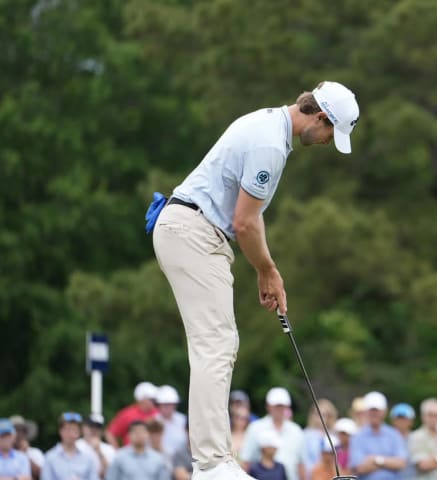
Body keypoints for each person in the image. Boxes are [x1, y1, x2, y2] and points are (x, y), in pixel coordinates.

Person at [152, 80, 360, 479]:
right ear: (320, 117)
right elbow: (244, 222)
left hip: (195, 231)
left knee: (217, 342)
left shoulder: (270, 126)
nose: (327, 142)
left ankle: (213, 460)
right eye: (331, 133)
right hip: (194, 231)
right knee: (216, 343)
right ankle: (212, 464)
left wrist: (267, 271)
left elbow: (251, 215)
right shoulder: (269, 145)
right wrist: (268, 270)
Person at [240, 387, 305, 480]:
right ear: (268, 406)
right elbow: (246, 462)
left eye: (282, 406)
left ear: (287, 407)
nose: (279, 409)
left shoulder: (296, 431)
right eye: (276, 406)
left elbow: (301, 465)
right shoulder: (255, 428)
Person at [349, 391, 409, 479]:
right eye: (371, 410)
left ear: (384, 411)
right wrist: (389, 462)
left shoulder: (394, 435)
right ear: (366, 412)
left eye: (377, 410)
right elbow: (359, 468)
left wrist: (376, 460)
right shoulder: (357, 437)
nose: (374, 413)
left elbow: (401, 463)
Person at [41, 412, 99, 480]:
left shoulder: (88, 458)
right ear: (60, 431)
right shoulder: (50, 457)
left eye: (74, 430)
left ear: (79, 433)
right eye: (67, 429)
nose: (71, 433)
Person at [105, 421, 170, 480]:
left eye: (142, 432)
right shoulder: (119, 457)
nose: (139, 435)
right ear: (129, 435)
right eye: (135, 432)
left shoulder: (157, 458)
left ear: (147, 434)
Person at [106, 382, 159, 448]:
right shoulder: (128, 414)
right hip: (131, 455)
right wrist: (118, 452)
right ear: (142, 399)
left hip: (152, 455)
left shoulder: (158, 413)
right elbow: (110, 433)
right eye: (151, 399)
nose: (154, 402)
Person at [301, 398, 338, 477]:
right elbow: (304, 459)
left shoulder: (335, 434)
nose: (320, 418)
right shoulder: (306, 435)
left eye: (324, 414)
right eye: (317, 414)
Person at [155, 385, 187, 458]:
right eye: (165, 404)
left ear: (175, 405)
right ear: (159, 405)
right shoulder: (153, 421)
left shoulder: (183, 420)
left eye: (170, 404)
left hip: (181, 461)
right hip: (159, 460)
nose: (167, 407)